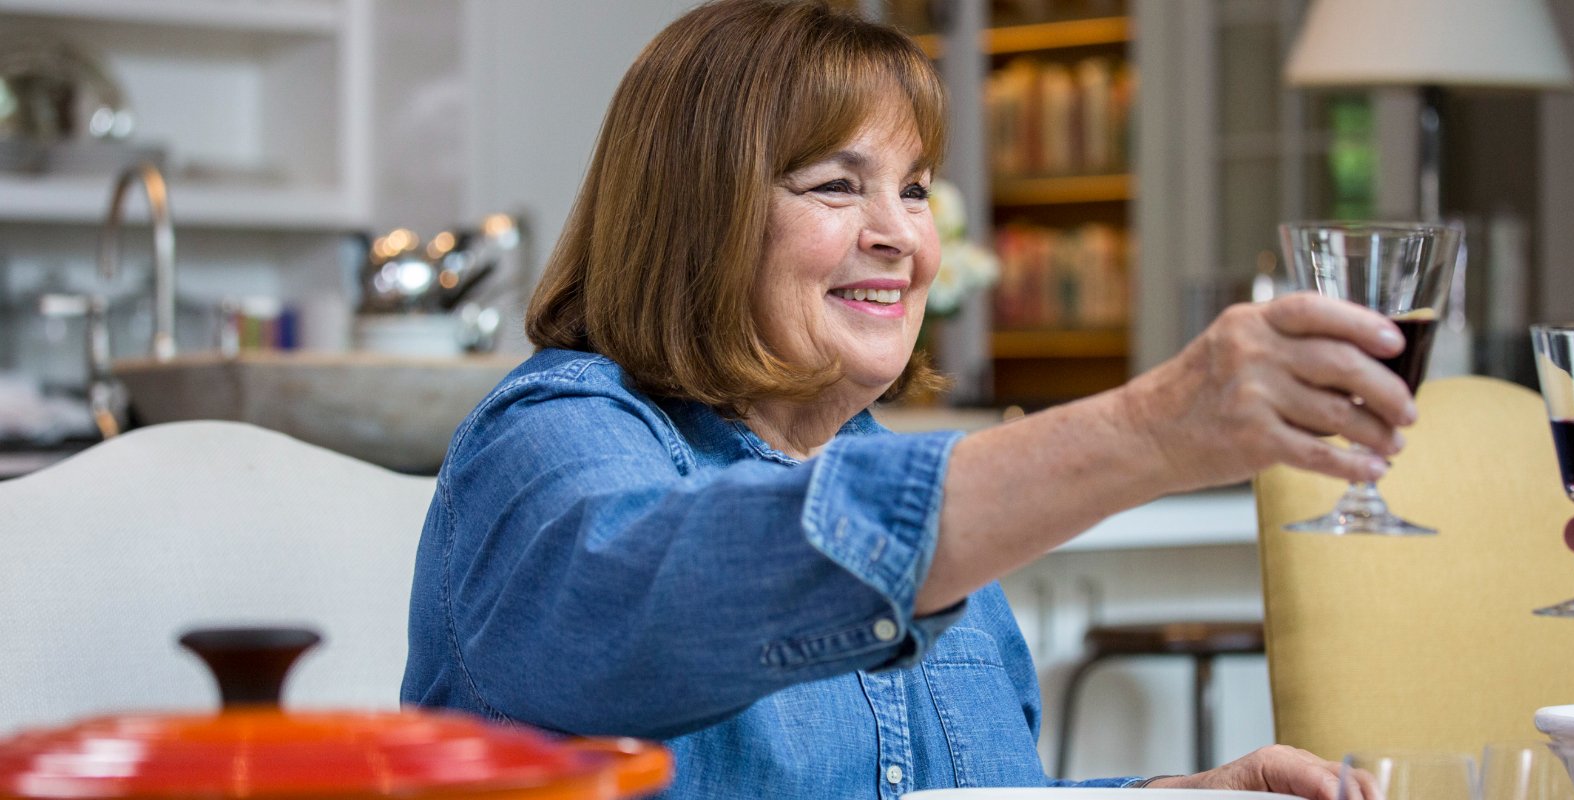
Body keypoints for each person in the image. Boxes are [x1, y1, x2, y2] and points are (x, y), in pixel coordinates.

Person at [402, 2, 1413, 798]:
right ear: (697, 217)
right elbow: (641, 618)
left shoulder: (888, 480)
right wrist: (1154, 427)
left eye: (916, 188)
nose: (901, 236)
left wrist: (1169, 794)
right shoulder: (551, 438)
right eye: (837, 186)